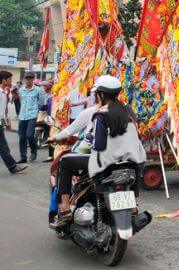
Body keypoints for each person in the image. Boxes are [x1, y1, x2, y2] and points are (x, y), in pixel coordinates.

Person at [52, 75, 145, 227]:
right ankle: (133, 204)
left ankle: (65, 207)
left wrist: (90, 137)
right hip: (131, 159)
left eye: (96, 93)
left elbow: (99, 145)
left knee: (65, 161)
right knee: (134, 165)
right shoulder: (128, 110)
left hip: (107, 160)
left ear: (101, 94)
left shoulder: (100, 114)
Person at [17, 72, 47, 163]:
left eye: (30, 78)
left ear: (33, 79)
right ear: (24, 79)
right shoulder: (21, 90)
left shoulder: (38, 90)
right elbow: (20, 101)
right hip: (22, 115)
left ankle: (34, 151)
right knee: (22, 137)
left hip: (32, 115)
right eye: (27, 78)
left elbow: (42, 102)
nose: (28, 80)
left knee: (30, 135)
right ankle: (23, 157)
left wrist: (36, 109)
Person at [0, 71, 26, 174]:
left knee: (3, 146)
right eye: (10, 79)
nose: (11, 81)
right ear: (3, 80)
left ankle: (12, 166)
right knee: (3, 146)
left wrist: (6, 122)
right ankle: (12, 166)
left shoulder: (3, 92)